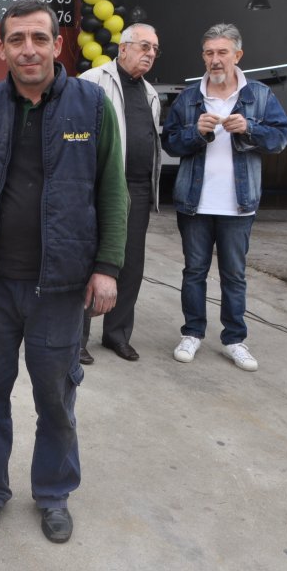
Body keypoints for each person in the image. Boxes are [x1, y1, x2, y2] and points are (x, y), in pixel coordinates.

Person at [0, 0, 128, 542]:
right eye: (16, 39)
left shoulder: (92, 106)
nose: (27, 49)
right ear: (1, 48)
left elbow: (113, 190)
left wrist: (107, 267)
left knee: (55, 399)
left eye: (38, 38)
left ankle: (53, 493)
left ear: (58, 44)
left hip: (60, 286)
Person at [162, 23, 287, 372]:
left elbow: (280, 139)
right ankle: (192, 333)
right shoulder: (190, 97)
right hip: (194, 203)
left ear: (238, 55)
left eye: (222, 52)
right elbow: (170, 142)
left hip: (239, 204)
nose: (215, 59)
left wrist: (250, 128)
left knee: (234, 275)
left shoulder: (259, 95)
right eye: (209, 53)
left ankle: (234, 339)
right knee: (194, 271)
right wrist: (195, 132)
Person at [77, 23, 161, 364]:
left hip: (139, 190)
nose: (150, 54)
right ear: (123, 48)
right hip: (101, 186)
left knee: (131, 265)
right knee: (89, 260)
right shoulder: (92, 81)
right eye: (144, 46)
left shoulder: (150, 93)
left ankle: (117, 334)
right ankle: (77, 338)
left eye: (154, 49)